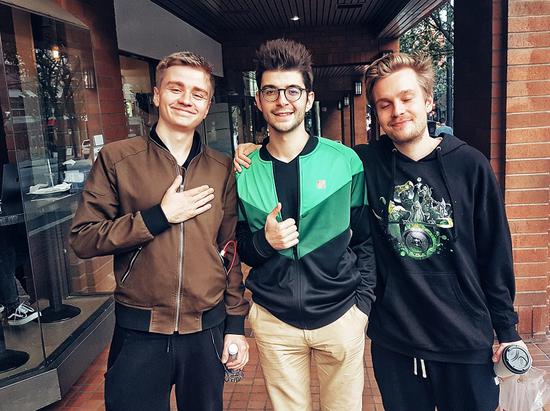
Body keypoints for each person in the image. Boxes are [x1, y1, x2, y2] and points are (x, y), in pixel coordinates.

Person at [70, 51, 249, 411]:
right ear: (156, 94)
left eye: (198, 93)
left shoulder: (221, 168)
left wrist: (235, 325)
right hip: (140, 330)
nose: (186, 99)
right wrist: (158, 216)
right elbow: (84, 238)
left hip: (206, 330)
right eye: (175, 88)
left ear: (207, 105)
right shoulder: (118, 159)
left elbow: (229, 250)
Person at [353, 52, 527, 411]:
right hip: (397, 343)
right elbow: (309, 156)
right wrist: (254, 152)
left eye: (406, 98)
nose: (397, 111)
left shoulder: (470, 165)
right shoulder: (365, 164)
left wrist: (507, 331)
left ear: (429, 101)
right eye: (385, 104)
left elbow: (495, 252)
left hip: (465, 340)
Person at [234, 38, 376, 411]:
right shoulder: (244, 171)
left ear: (309, 99)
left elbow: (365, 240)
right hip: (275, 321)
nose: (282, 100)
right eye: (271, 91)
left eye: (293, 90)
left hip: (341, 316)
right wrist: (264, 242)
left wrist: (362, 306)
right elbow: (239, 248)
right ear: (258, 100)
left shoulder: (345, 162)